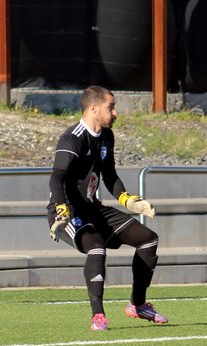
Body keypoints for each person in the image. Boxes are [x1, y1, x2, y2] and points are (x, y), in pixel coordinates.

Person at [47, 85, 166, 332]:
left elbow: (109, 174)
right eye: (110, 107)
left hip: (92, 208)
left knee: (148, 239)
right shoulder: (72, 138)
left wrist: (127, 199)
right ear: (93, 108)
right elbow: (57, 178)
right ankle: (98, 316)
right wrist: (60, 208)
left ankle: (138, 304)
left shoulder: (106, 136)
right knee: (96, 246)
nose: (115, 113)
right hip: (67, 211)